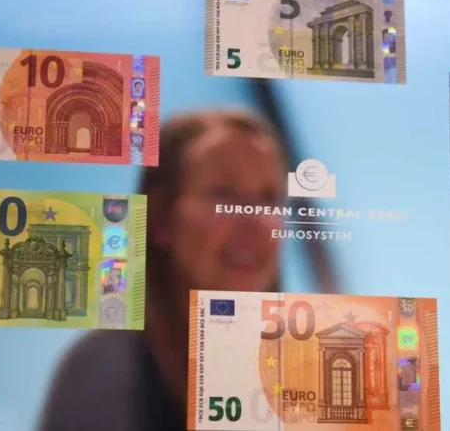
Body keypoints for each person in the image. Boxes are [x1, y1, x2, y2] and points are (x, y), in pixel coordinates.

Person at [38, 110, 287, 431]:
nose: (255, 221)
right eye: (223, 194)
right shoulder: (102, 370)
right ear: (160, 219)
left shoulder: (294, 371)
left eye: (268, 198)